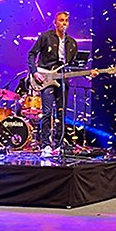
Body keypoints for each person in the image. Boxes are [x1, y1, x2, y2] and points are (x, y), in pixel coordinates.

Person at [27, 11, 78, 155]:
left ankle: (59, 144)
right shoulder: (45, 37)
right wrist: (35, 71)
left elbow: (73, 64)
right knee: (47, 112)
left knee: (61, 113)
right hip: (46, 78)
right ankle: (45, 144)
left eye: (66, 21)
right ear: (55, 22)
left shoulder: (72, 43)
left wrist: (87, 72)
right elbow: (31, 54)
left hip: (62, 80)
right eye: (61, 20)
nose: (64, 23)